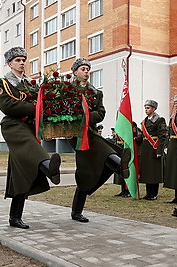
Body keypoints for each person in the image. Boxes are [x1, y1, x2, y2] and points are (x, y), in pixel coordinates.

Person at [0, 46, 62, 229]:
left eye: (24, 59)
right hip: (13, 126)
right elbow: (8, 105)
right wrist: (35, 108)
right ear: (10, 64)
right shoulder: (2, 82)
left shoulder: (31, 84)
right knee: (31, 147)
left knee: (21, 172)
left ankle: (14, 217)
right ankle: (49, 168)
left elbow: (39, 100)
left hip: (29, 126)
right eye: (17, 60)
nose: (22, 62)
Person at [67, 58, 131, 223]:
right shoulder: (66, 90)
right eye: (83, 69)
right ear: (75, 72)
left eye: (88, 69)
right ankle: (118, 165)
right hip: (75, 134)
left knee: (85, 171)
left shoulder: (96, 92)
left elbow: (101, 112)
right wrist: (78, 118)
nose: (86, 71)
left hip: (90, 131)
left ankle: (76, 212)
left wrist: (86, 117)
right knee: (103, 149)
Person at [139, 100, 167, 200]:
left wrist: (159, 151)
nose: (146, 110)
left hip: (154, 148)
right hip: (146, 149)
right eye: (145, 108)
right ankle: (148, 193)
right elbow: (142, 136)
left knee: (154, 172)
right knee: (147, 172)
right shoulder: (144, 121)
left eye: (148, 108)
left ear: (154, 109)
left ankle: (153, 194)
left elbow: (162, 136)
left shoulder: (160, 120)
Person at [108, 128, 130, 198]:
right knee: (121, 173)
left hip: (125, 151)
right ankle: (123, 190)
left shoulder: (126, 130)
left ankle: (128, 191)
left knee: (126, 171)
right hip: (120, 152)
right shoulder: (117, 136)